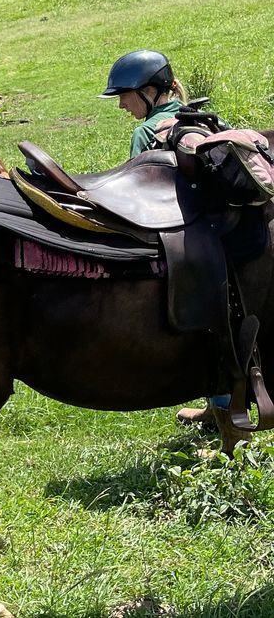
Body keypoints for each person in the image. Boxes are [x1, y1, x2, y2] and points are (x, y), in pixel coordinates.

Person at [101, 49, 248, 452]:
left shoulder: (145, 133)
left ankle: (225, 417)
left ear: (149, 92)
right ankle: (217, 406)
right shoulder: (196, 117)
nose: (122, 105)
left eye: (125, 95)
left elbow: (140, 194)